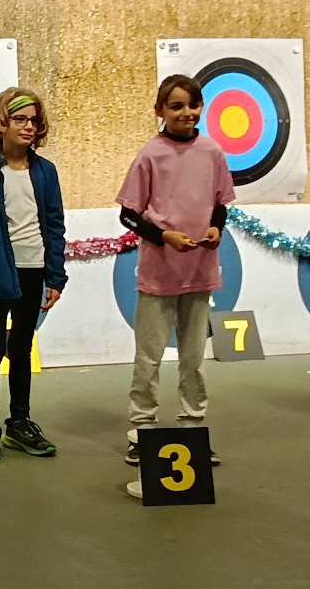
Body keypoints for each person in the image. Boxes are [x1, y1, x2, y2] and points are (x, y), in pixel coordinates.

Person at [117, 74, 234, 492]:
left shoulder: (213, 152)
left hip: (199, 272)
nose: (186, 113)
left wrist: (216, 229)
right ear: (160, 111)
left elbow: (220, 204)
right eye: (176, 106)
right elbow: (129, 215)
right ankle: (142, 430)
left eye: (193, 105)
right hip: (159, 274)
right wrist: (164, 236)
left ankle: (193, 429)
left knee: (193, 358)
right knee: (148, 358)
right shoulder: (150, 155)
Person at [0, 88, 67, 461]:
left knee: (21, 348)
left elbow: (54, 225)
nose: (29, 126)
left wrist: (55, 276)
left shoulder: (45, 172)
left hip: (34, 271)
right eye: (20, 119)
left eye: (34, 120)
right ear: (0, 125)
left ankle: (19, 423)